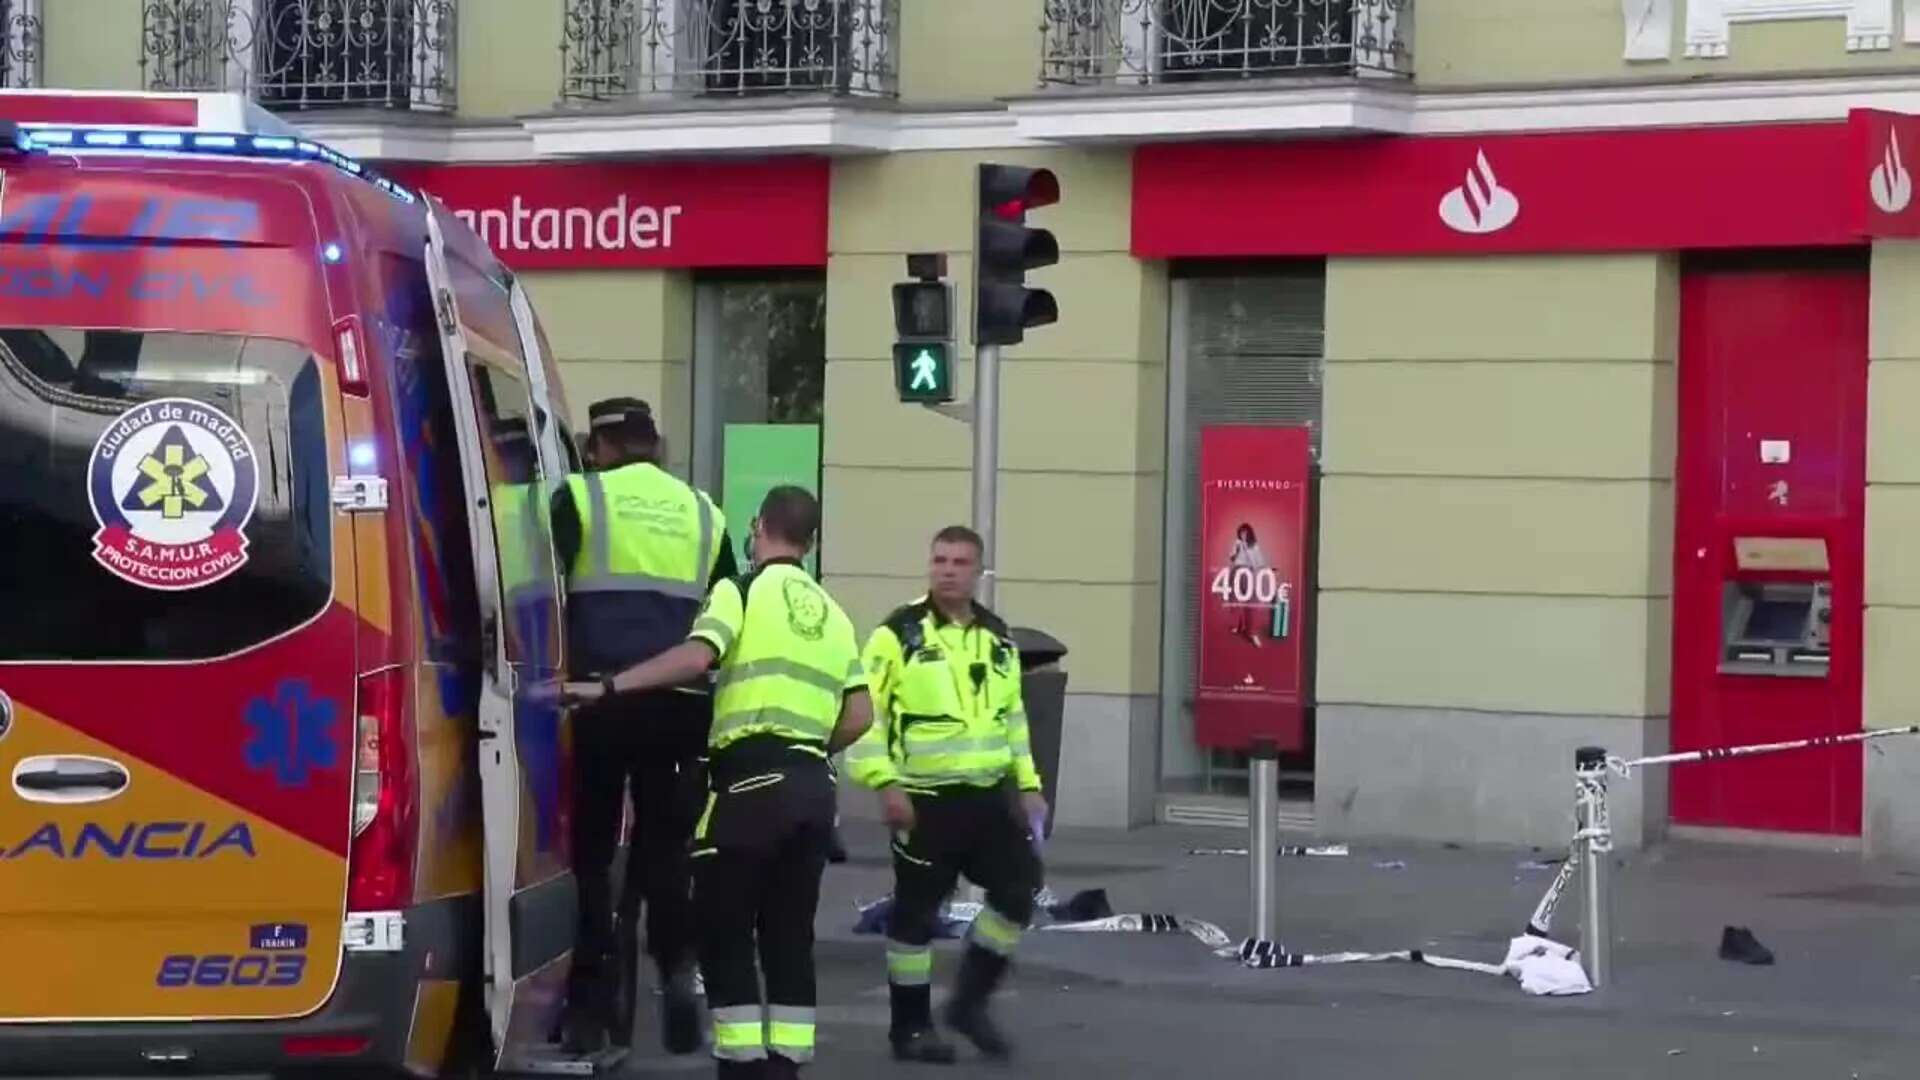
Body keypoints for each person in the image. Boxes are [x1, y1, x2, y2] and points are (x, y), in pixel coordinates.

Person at [565, 486, 872, 1079]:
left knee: (726, 932)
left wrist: (608, 687)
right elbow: (860, 714)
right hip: (812, 787)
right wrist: (805, 746)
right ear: (808, 542)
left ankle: (740, 1067)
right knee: (789, 939)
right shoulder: (832, 613)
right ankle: (784, 1067)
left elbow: (696, 658)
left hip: (749, 787)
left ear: (759, 529)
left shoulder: (742, 590)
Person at [551, 396, 737, 1055]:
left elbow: (540, 589)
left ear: (599, 448)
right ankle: (678, 968)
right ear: (654, 446)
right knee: (666, 849)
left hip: (599, 699)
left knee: (593, 854)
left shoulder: (578, 497)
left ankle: (591, 1001)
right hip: (682, 702)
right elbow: (726, 613)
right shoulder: (705, 513)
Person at [844, 525, 1047, 1064]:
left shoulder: (996, 637)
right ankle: (909, 1030)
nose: (948, 570)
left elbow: (1013, 718)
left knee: (1019, 889)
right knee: (916, 914)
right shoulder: (897, 634)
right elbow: (866, 717)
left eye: (959, 562)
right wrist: (884, 784)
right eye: (940, 560)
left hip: (985, 797)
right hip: (922, 799)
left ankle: (969, 1003)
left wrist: (1028, 786)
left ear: (977, 571)